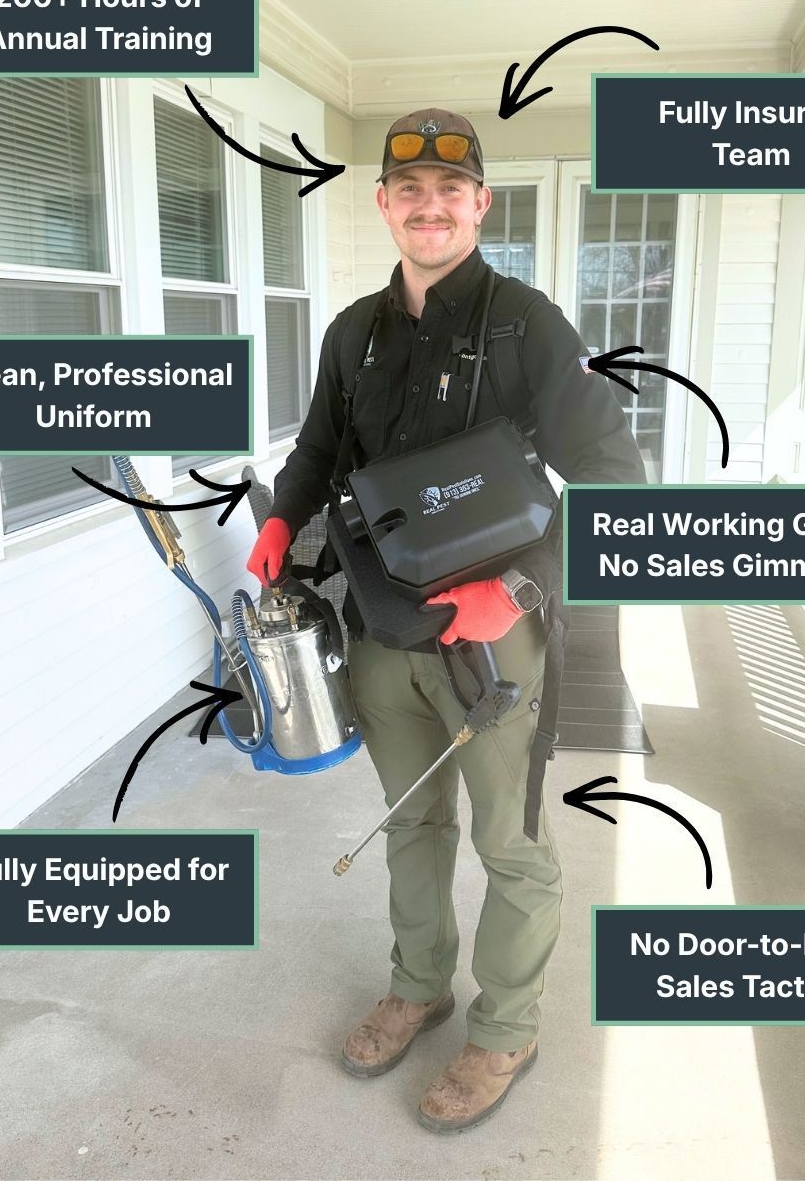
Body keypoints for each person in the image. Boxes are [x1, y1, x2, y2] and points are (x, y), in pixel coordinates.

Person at [247, 109, 645, 1133]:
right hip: (383, 635)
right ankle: (418, 982)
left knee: (509, 845)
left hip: (492, 638)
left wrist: (513, 589)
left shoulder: (528, 324)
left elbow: (615, 477)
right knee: (409, 820)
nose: (430, 206)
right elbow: (318, 452)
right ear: (384, 205)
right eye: (408, 191)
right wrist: (282, 520)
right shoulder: (353, 333)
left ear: (479, 204)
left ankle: (506, 1024)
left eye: (451, 190)